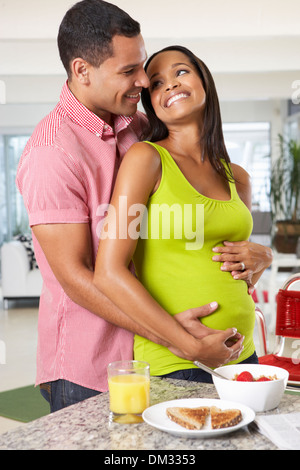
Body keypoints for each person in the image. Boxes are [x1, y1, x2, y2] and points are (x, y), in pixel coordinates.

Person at [15, 1, 247, 412]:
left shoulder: (140, 127)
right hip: (89, 368)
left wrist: (251, 253)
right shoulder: (52, 152)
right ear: (82, 70)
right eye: (128, 72)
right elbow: (77, 277)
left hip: (160, 356)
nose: (143, 80)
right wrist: (182, 341)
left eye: (141, 66)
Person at [93, 45, 273, 383]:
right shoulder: (145, 160)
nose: (170, 85)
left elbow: (234, 268)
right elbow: (108, 272)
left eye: (180, 72)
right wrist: (189, 345)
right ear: (152, 105)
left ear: (203, 80)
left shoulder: (238, 177)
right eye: (157, 83)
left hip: (243, 355)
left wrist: (263, 257)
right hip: (178, 363)